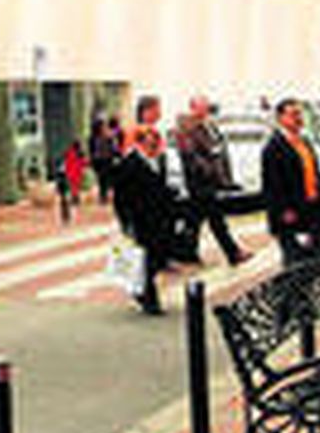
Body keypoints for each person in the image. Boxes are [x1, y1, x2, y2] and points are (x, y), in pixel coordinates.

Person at [110, 95, 174, 315]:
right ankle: (149, 298)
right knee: (145, 258)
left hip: (159, 217)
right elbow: (121, 195)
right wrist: (125, 220)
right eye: (150, 139)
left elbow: (163, 187)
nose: (155, 142)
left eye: (155, 139)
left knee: (156, 257)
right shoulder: (130, 164)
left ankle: (142, 290)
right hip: (140, 218)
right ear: (140, 141)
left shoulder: (157, 161)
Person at [261, 98, 320, 267]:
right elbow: (272, 184)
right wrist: (283, 210)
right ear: (281, 118)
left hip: (312, 208)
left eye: (300, 114)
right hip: (291, 213)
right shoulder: (274, 147)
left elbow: (310, 171)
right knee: (296, 262)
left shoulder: (304, 142)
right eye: (293, 114)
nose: (299, 118)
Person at [176, 97, 248, 266]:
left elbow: (219, 149)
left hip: (212, 181)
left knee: (195, 219)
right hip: (200, 182)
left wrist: (225, 177)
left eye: (206, 105)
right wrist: (208, 170)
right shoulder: (186, 129)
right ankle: (233, 253)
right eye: (202, 105)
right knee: (216, 219)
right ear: (193, 107)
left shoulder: (210, 125)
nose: (206, 108)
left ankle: (186, 251)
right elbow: (191, 155)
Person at [89, 117, 118, 205]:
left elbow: (113, 148)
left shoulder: (108, 136)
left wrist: (115, 154)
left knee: (106, 179)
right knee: (102, 179)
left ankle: (105, 196)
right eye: (102, 125)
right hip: (99, 161)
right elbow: (92, 150)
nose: (104, 127)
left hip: (107, 160)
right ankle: (103, 197)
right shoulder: (93, 138)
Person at [58, 140, 87, 225]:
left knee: (65, 199)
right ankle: (68, 218)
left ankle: (66, 218)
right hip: (69, 178)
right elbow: (82, 164)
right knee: (70, 198)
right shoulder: (77, 155)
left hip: (64, 177)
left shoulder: (68, 154)